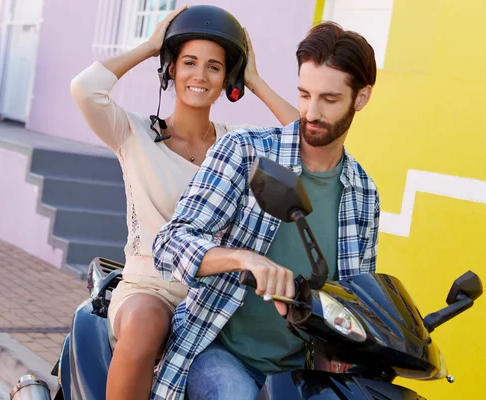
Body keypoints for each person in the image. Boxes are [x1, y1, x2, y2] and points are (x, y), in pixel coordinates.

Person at [70, 5, 298, 400]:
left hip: (217, 295)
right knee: (143, 326)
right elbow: (85, 88)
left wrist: (255, 80)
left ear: (228, 77)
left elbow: (304, 142)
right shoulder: (134, 132)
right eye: (189, 62)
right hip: (150, 287)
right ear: (170, 69)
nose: (200, 75)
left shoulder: (237, 145)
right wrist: (149, 47)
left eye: (214, 66)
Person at [152, 21, 381, 400]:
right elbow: (171, 243)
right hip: (217, 348)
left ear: (361, 98)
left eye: (329, 99)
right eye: (304, 94)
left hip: (298, 370)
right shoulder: (244, 151)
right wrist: (245, 260)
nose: (310, 111)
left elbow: (354, 299)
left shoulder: (363, 193)